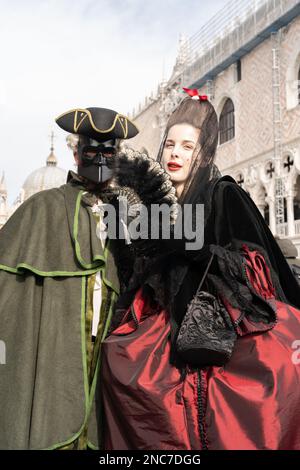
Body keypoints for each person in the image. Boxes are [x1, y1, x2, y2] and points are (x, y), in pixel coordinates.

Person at [101, 90, 300, 450]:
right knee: (119, 361)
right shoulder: (155, 207)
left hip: (220, 329)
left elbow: (255, 266)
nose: (175, 153)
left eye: (187, 147)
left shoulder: (224, 195)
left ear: (203, 154)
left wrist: (196, 249)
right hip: (164, 329)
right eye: (170, 145)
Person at [0, 106, 139, 449]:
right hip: (53, 351)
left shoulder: (128, 214)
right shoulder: (41, 208)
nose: (101, 158)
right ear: (75, 152)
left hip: (107, 358)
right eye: (92, 150)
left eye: (110, 151)